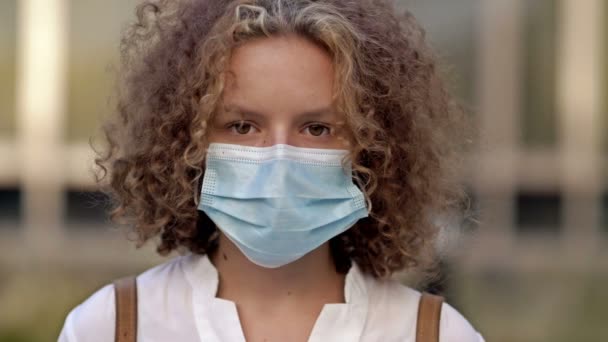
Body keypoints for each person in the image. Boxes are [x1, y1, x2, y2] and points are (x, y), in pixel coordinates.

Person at [58, 0, 484, 341]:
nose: (279, 157)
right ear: (187, 143)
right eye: (242, 126)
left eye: (317, 128)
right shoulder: (111, 326)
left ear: (371, 149)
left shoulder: (433, 333)